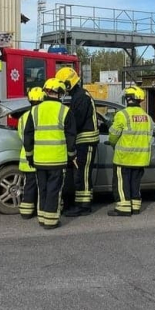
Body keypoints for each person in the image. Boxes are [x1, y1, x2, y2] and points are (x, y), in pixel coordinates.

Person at [23, 78, 77, 229]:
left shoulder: (34, 111)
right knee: (54, 189)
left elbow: (28, 136)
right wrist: (72, 155)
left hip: (39, 159)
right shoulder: (65, 111)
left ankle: (42, 218)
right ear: (60, 94)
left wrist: (29, 155)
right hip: (57, 159)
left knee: (42, 188)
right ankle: (51, 220)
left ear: (46, 91)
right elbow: (71, 137)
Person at [56, 67, 99, 217]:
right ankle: (80, 204)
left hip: (87, 141)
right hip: (83, 141)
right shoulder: (78, 96)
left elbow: (77, 122)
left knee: (83, 173)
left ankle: (84, 206)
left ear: (68, 84)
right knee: (80, 173)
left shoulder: (81, 97)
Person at [107, 87, 153, 217]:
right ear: (139, 99)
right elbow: (149, 137)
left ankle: (123, 208)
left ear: (127, 99)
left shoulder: (122, 115)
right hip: (140, 158)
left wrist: (112, 144)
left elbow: (113, 135)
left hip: (124, 157)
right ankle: (135, 206)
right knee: (135, 183)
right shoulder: (147, 117)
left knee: (122, 184)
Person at [18, 87, 44, 220]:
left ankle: (26, 212)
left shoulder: (23, 117)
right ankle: (42, 211)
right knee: (42, 187)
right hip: (39, 157)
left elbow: (22, 137)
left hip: (26, 158)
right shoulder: (42, 114)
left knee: (28, 185)